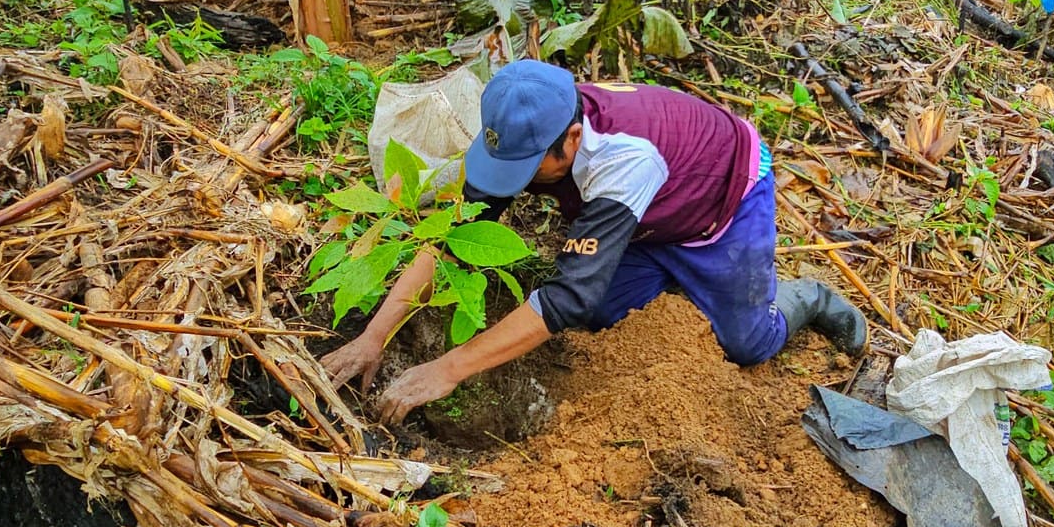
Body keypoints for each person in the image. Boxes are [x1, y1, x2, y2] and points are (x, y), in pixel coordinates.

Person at [321, 60, 868, 425]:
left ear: (574, 139)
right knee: (602, 313)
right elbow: (451, 239)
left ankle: (805, 298)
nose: (519, 179)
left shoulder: (621, 159)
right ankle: (673, 275)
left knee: (748, 344)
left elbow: (565, 299)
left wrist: (447, 370)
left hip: (719, 202)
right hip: (645, 218)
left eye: (531, 169)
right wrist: (374, 336)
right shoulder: (527, 130)